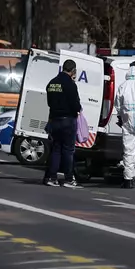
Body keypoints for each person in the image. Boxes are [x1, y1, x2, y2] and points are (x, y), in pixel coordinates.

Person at [43, 59, 82, 188]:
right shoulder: (70, 84)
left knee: (56, 149)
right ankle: (68, 179)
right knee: (68, 151)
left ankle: (51, 177)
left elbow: (49, 103)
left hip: (54, 119)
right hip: (67, 120)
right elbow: (75, 104)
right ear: (73, 71)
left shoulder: (52, 82)